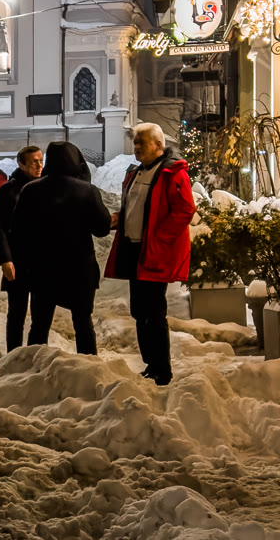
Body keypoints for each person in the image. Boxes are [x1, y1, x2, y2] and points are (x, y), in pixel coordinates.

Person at [105, 122, 195, 385]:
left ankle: (162, 370)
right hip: (134, 249)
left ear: (158, 145)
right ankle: (151, 364)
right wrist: (120, 219)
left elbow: (185, 210)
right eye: (135, 143)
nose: (136, 148)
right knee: (139, 310)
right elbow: (137, 208)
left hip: (154, 251)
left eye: (141, 143)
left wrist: (160, 236)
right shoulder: (136, 173)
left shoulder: (172, 173)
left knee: (154, 312)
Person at [0, 140, 110, 354]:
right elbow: (101, 229)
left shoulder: (31, 190)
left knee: (39, 325)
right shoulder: (87, 190)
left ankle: (34, 363)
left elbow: (19, 231)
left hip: (43, 269)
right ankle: (88, 365)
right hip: (79, 270)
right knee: (83, 323)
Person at [0, 144, 43, 351]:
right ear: (21, 164)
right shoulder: (8, 190)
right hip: (17, 261)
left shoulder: (45, 186)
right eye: (34, 162)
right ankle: (13, 355)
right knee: (16, 314)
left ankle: (36, 354)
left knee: (41, 315)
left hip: (42, 261)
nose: (39, 165)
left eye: (41, 160)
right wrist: (5, 259)